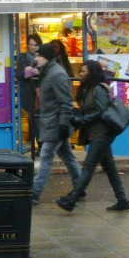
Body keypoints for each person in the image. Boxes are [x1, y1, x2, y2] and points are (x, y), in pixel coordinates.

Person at [56, 60, 129, 212]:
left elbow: (101, 111)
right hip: (96, 132)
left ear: (92, 73)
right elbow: (89, 110)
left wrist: (81, 120)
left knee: (89, 166)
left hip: (103, 132)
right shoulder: (87, 89)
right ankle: (122, 200)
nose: (80, 74)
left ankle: (72, 199)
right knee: (109, 167)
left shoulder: (98, 89)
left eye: (84, 71)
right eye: (81, 71)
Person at [31, 44, 82, 204]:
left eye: (38, 55)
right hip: (52, 122)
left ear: (46, 57)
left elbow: (65, 102)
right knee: (67, 156)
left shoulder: (57, 74)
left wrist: (63, 125)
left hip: (56, 123)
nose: (35, 58)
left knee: (45, 157)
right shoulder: (47, 72)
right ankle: (80, 186)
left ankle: (34, 193)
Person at [16, 34, 42, 152]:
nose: (33, 47)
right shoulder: (23, 57)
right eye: (30, 44)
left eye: (35, 44)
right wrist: (32, 72)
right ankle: (37, 145)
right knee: (34, 118)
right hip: (29, 92)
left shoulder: (44, 57)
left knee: (41, 119)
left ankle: (40, 145)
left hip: (42, 92)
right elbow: (19, 74)